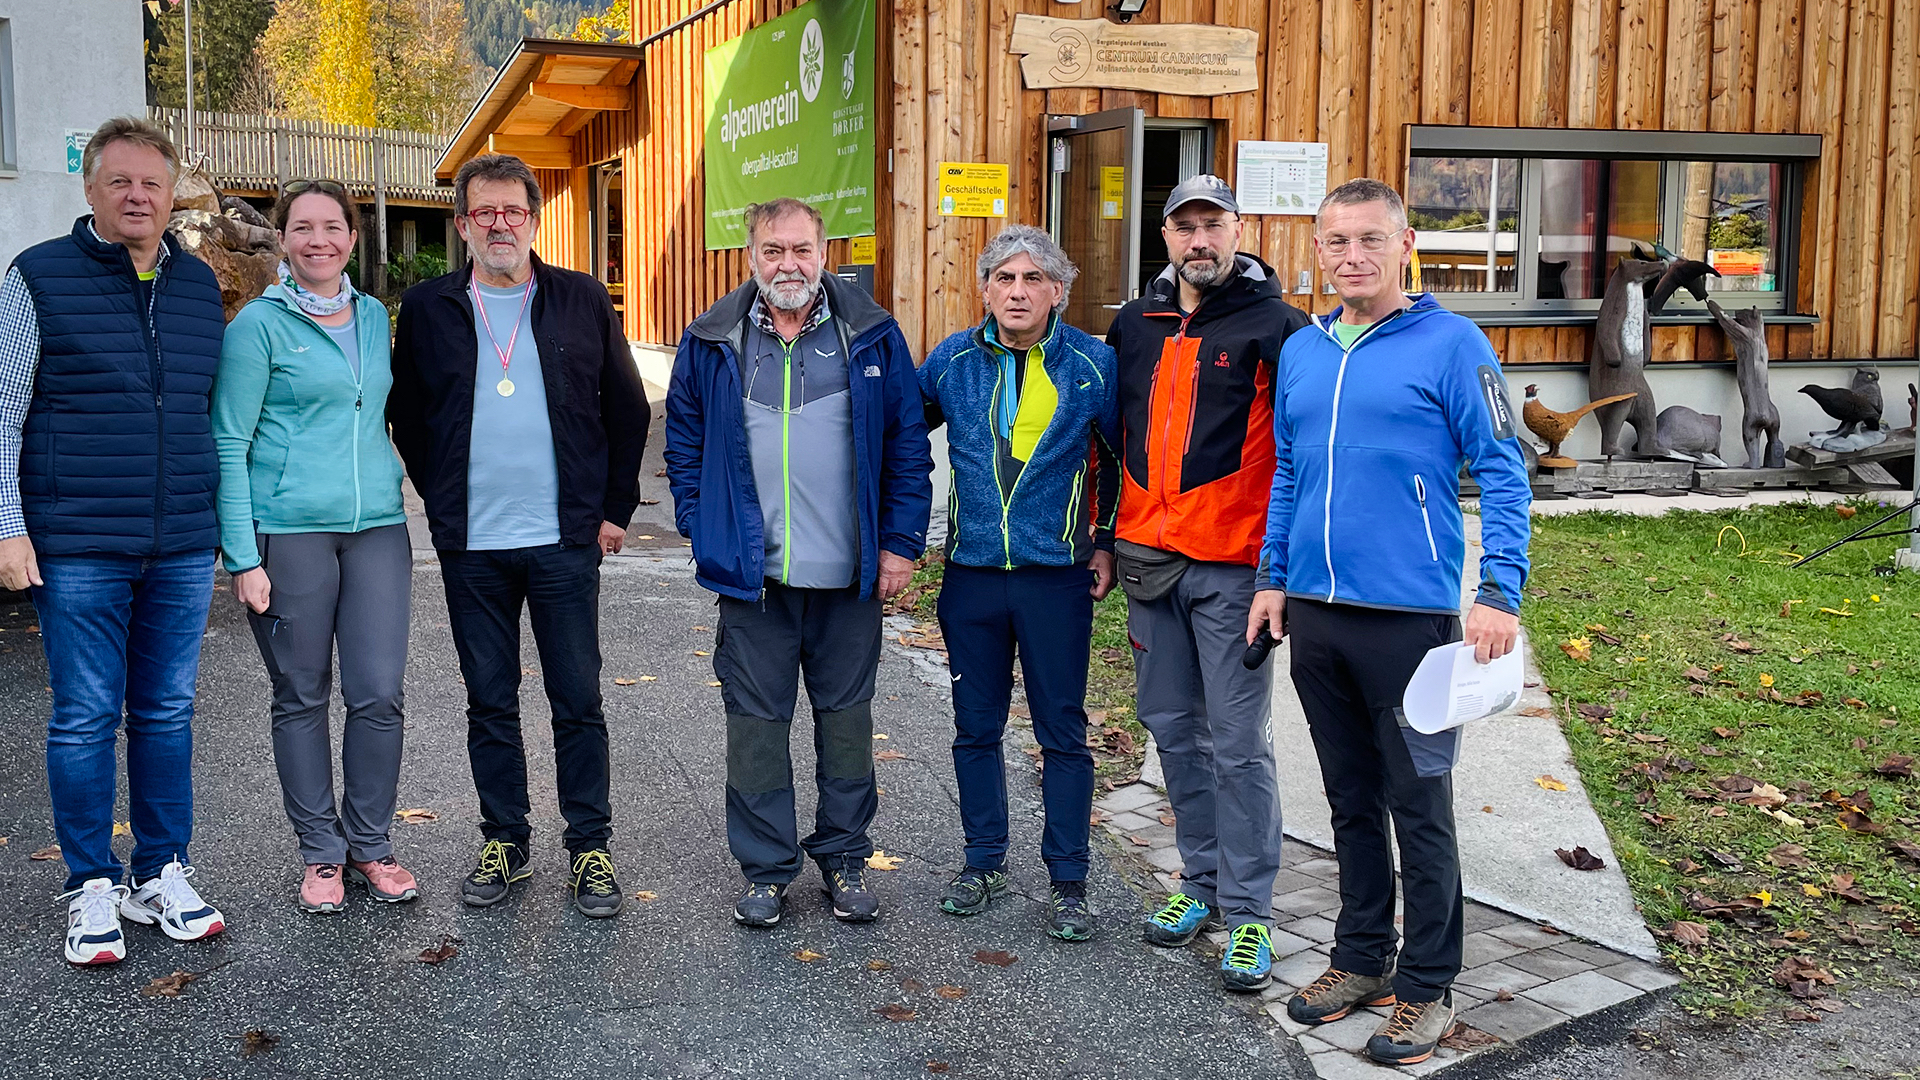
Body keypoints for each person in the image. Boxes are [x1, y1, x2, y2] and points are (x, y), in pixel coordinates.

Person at [1247, 177, 1531, 1067]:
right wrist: (1273, 578)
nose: (1353, 256)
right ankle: (1362, 957)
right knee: (1348, 799)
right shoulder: (1304, 350)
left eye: (1371, 239)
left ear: (1406, 245)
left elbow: (1505, 469)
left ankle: (1428, 986)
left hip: (1410, 622)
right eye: (1336, 241)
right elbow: (1289, 471)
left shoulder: (1454, 344)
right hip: (1317, 616)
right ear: (1317, 251)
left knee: (1419, 806)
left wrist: (1500, 591)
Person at [388, 153, 650, 918]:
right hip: (472, 546)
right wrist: (442, 502)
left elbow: (627, 407)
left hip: (564, 541)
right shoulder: (428, 308)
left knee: (578, 699)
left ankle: (590, 846)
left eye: (513, 211)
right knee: (489, 701)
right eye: (485, 212)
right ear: (463, 224)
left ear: (534, 220)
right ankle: (505, 839)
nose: (499, 224)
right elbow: (408, 415)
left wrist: (614, 510)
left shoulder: (581, 298)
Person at [665, 197, 931, 928]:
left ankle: (844, 858)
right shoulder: (711, 339)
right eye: (773, 250)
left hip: (848, 578)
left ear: (824, 253)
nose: (789, 264)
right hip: (756, 581)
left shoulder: (870, 335)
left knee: (846, 724)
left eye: (801, 249)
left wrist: (900, 544)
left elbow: (907, 446)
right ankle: (766, 869)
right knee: (755, 726)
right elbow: (683, 440)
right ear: (750, 256)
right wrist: (700, 523)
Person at [0, 117, 227, 965]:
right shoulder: (37, 277)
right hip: (78, 542)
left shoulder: (198, 284)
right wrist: (8, 527)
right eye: (120, 181)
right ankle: (90, 884)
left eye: (152, 183)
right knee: (86, 715)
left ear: (170, 195)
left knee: (167, 711)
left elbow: (208, 411)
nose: (138, 196)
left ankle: (160, 870)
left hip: (180, 541)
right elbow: (3, 408)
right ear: (90, 188)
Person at [1105, 174, 1311, 992]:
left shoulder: (1278, 327)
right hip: (1148, 564)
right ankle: (1200, 884)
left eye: (1213, 225)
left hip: (1233, 571)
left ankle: (1251, 912)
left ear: (1237, 230)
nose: (1199, 241)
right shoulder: (1135, 324)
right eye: (1184, 227)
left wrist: (1279, 571)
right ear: (1165, 236)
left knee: (1237, 742)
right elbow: (1110, 439)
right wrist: (1104, 541)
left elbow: (1298, 456)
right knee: (1171, 729)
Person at [212, 179, 416, 914]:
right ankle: (321, 854)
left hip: (377, 529)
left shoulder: (373, 317)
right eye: (303, 227)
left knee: (379, 694)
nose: (319, 240)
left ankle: (370, 844)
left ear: (353, 239)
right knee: (301, 694)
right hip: (289, 532)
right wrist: (243, 557)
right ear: (283, 237)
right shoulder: (258, 327)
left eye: (333, 227)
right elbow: (228, 441)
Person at [917, 225, 1117, 941]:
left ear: (1058, 291)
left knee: (1062, 731)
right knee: (976, 727)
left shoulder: (1092, 362)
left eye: (1034, 279)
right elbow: (899, 439)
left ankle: (1069, 880)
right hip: (971, 577)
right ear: (985, 289)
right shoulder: (951, 361)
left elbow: (1118, 459)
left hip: (1054, 579)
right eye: (1005, 278)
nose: (1018, 292)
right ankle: (983, 862)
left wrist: (1105, 542)